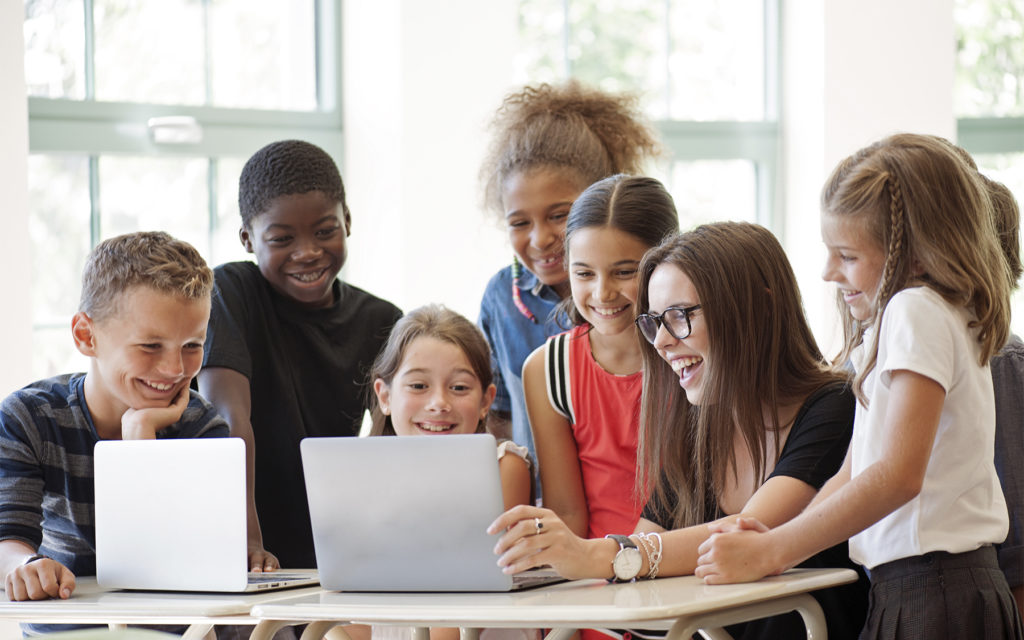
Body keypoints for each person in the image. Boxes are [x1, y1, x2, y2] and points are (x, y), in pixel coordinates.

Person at [694, 133, 1023, 639]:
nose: (828, 272)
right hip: (925, 587)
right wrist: (777, 538)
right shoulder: (925, 316)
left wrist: (775, 551)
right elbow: (854, 473)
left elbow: (896, 475)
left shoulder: (914, 310)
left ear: (913, 255)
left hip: (933, 591)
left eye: (846, 256)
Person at [491, 222, 868, 639]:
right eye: (654, 323)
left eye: (681, 317)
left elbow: (744, 535)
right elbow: (645, 551)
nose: (662, 343)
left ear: (757, 308)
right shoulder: (699, 425)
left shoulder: (835, 406)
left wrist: (591, 554)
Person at [0, 232, 228, 632]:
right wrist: (26, 567)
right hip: (71, 631)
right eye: (150, 345)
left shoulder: (202, 427)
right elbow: (7, 539)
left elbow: (180, 563)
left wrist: (139, 437)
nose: (176, 369)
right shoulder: (28, 417)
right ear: (86, 336)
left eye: (193, 345)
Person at [198, 140, 402, 570]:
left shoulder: (381, 319)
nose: (308, 251)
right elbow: (228, 420)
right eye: (282, 238)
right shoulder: (232, 292)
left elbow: (391, 440)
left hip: (336, 544)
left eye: (325, 230)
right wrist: (247, 540)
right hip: (243, 538)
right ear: (248, 240)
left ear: (347, 220)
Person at [477, 81, 660, 462]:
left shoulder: (656, 291)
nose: (541, 239)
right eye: (519, 223)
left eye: (559, 216)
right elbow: (498, 417)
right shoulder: (501, 297)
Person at [339, 304, 536, 640]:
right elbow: (350, 605)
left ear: (486, 400)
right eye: (418, 386)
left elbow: (476, 589)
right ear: (384, 396)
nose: (439, 403)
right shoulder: (363, 474)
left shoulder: (505, 464)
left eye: (459, 388)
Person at [522, 174, 678, 547]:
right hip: (598, 572)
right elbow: (568, 514)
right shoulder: (548, 369)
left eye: (625, 272)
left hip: (689, 562)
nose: (603, 292)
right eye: (584, 274)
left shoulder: (692, 355)